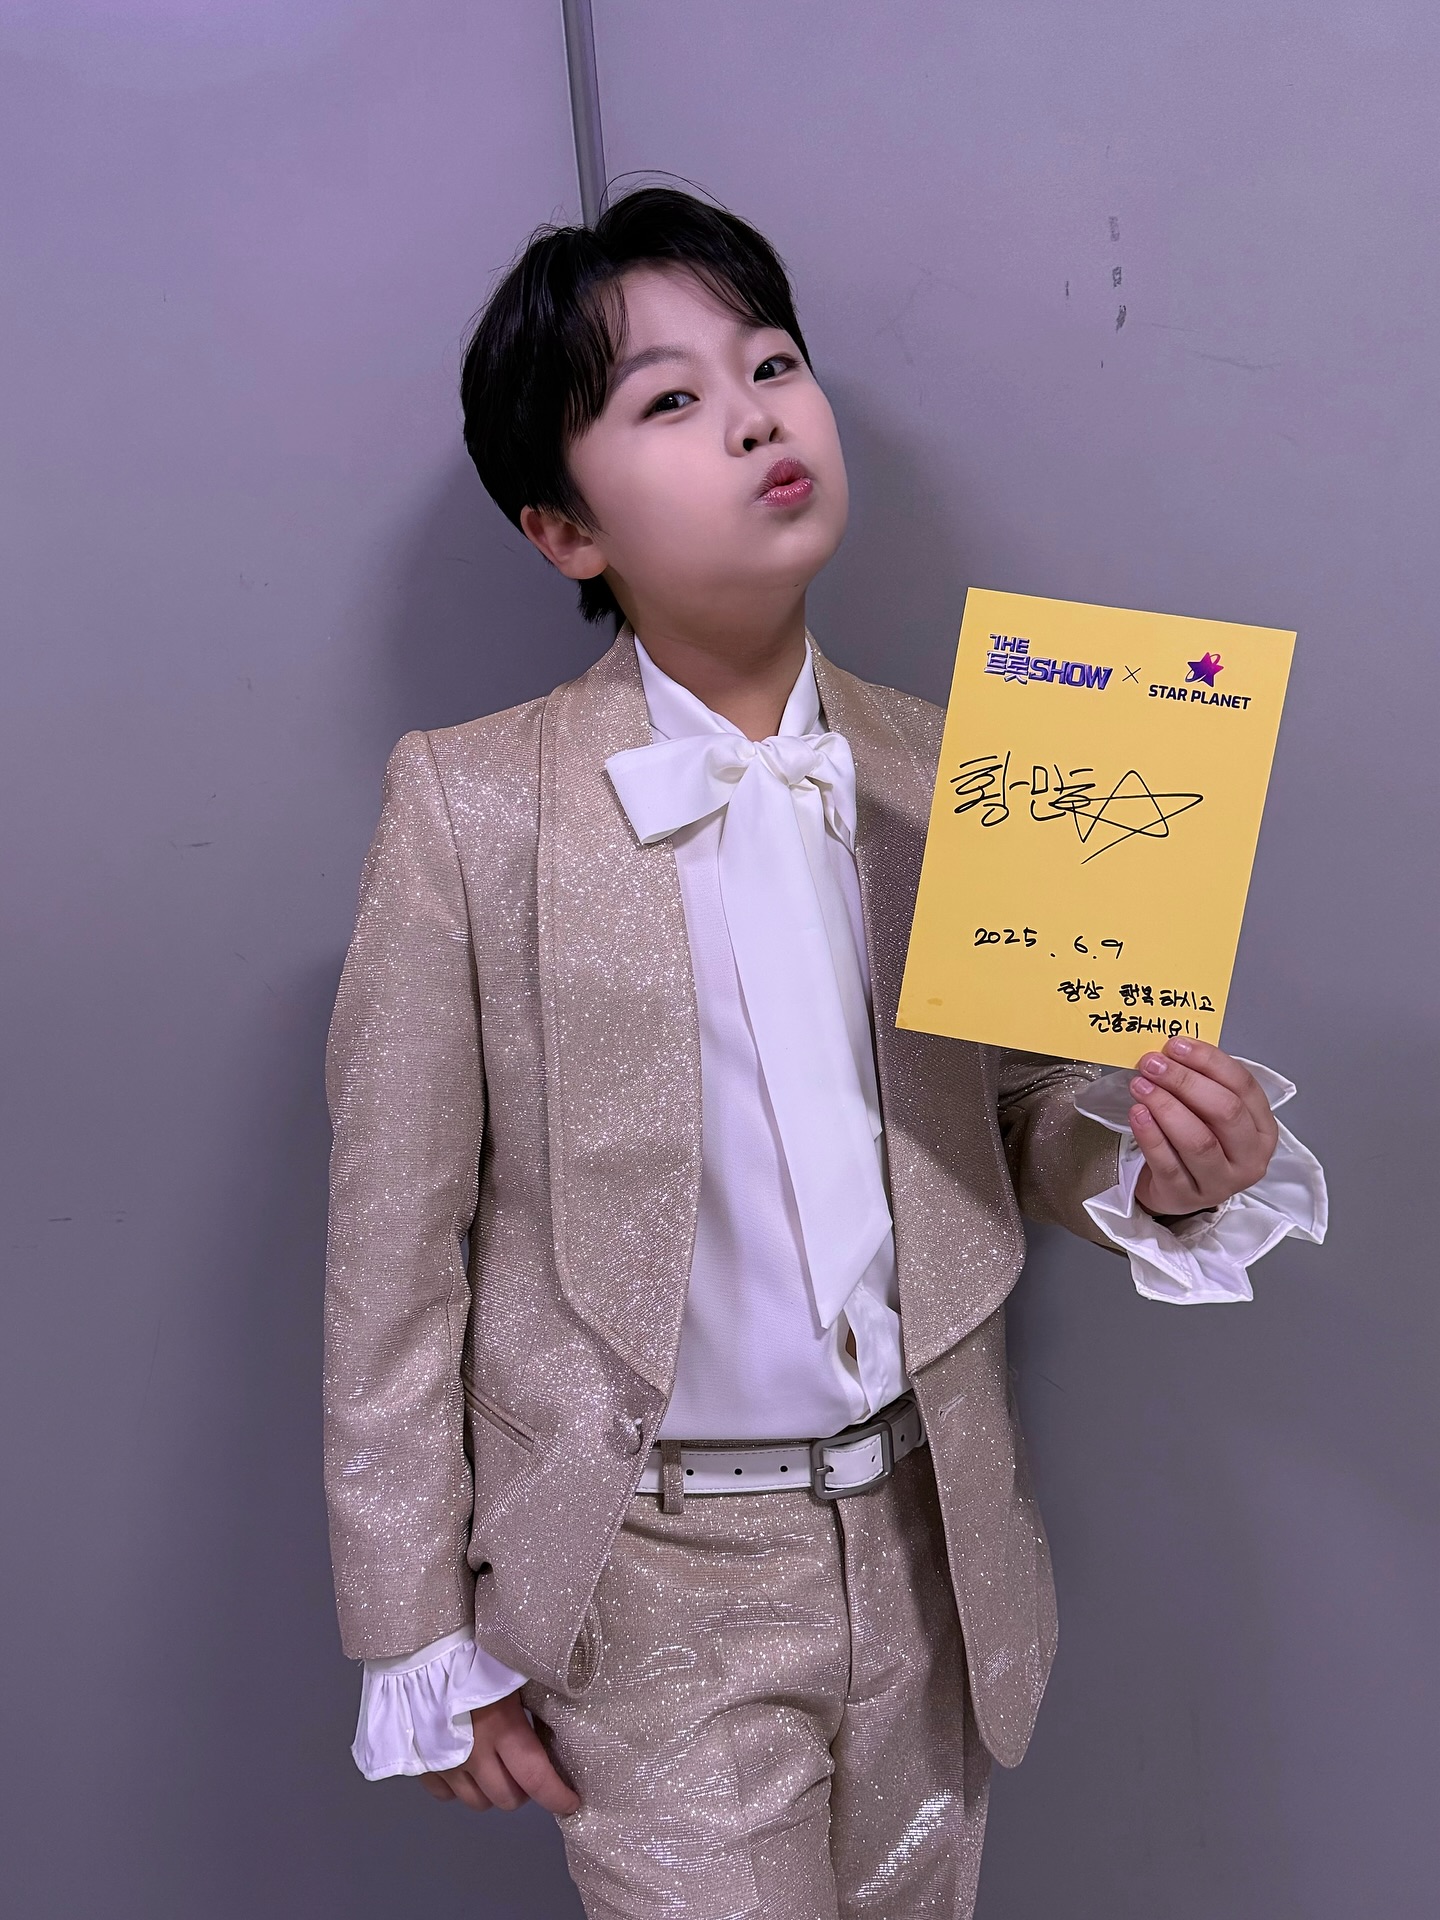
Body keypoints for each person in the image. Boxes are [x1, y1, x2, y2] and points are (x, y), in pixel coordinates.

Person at [323, 187, 1326, 1920]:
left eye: (772, 364)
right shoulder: (472, 806)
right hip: (648, 1581)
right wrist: (413, 1630)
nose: (753, 415)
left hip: (934, 1546)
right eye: (669, 399)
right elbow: (391, 1252)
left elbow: (1018, 1109)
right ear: (565, 530)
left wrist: (1161, 1165)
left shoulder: (958, 768)